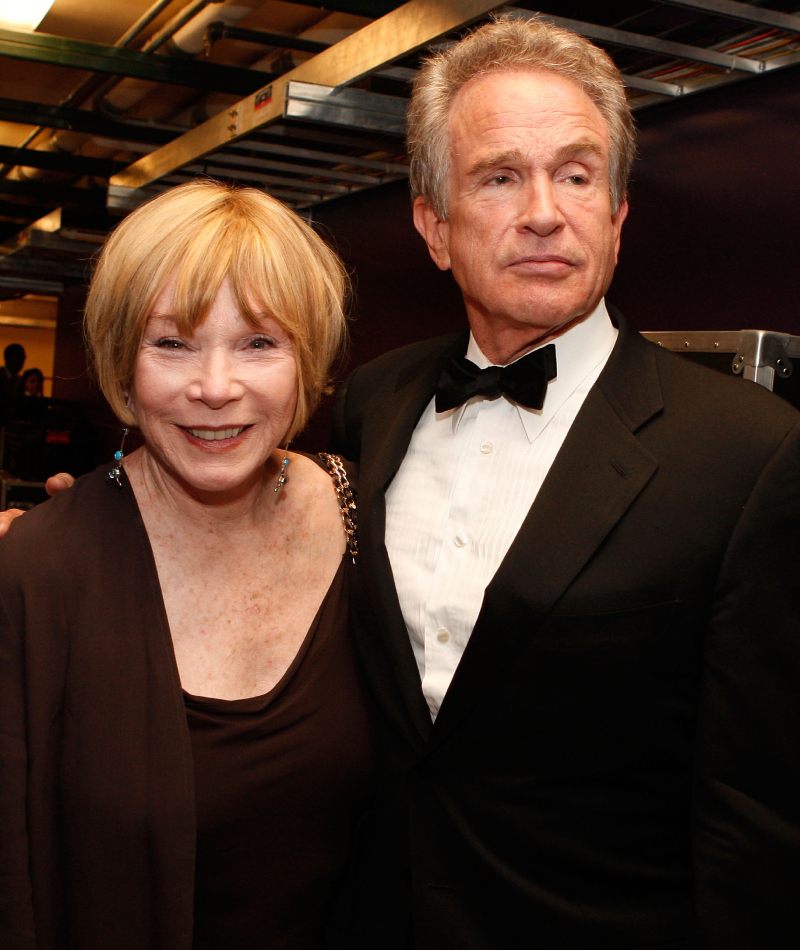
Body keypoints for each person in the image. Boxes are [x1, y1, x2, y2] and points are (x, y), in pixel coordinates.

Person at [327, 15, 800, 950]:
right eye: (499, 177)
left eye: (577, 175)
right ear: (434, 224)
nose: (544, 209)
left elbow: (761, 811)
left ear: (618, 217)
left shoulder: (754, 454)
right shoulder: (371, 404)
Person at [0, 180, 375, 949]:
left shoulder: (364, 514)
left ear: (308, 360)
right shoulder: (36, 573)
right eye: (171, 343)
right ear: (119, 360)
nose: (215, 387)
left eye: (259, 342)